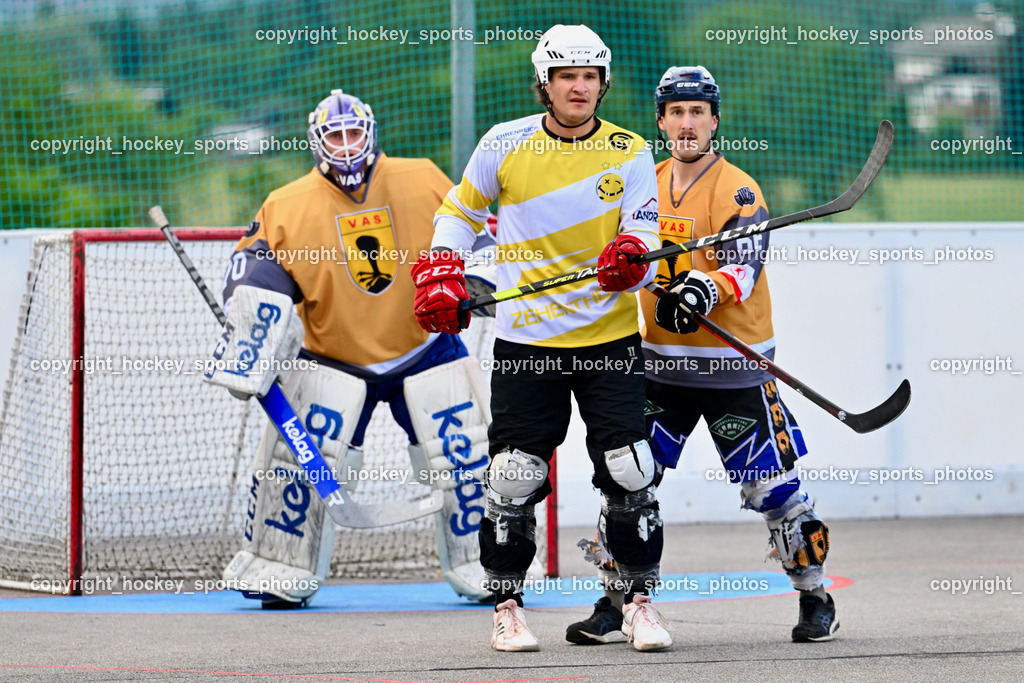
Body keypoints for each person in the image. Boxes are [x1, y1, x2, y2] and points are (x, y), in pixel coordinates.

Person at [412, 24, 672, 652]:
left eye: (589, 77)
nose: (579, 87)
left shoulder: (630, 149)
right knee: (511, 476)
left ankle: (638, 603)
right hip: (528, 341)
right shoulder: (504, 143)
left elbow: (645, 231)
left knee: (631, 472)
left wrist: (633, 255)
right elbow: (458, 214)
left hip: (610, 340)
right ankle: (507, 609)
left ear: (602, 83)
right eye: (566, 77)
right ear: (545, 84)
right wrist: (445, 271)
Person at [566, 65, 838, 645]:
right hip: (662, 368)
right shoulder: (643, 182)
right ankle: (618, 601)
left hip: (733, 370)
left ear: (715, 120)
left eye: (698, 112)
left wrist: (704, 288)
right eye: (676, 112)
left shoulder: (738, 189)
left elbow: (744, 263)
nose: (687, 123)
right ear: (660, 121)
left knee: (774, 490)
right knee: (629, 483)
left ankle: (815, 596)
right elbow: (619, 253)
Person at [204, 89, 499, 609]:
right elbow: (254, 275)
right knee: (295, 467)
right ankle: (281, 564)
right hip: (332, 356)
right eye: (335, 135)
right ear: (317, 142)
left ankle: (486, 561)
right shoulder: (285, 204)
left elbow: (469, 233)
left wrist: (480, 278)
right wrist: (253, 327)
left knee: (464, 456)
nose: (346, 145)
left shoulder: (422, 178)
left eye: (354, 133)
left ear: (372, 133)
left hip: (425, 346)